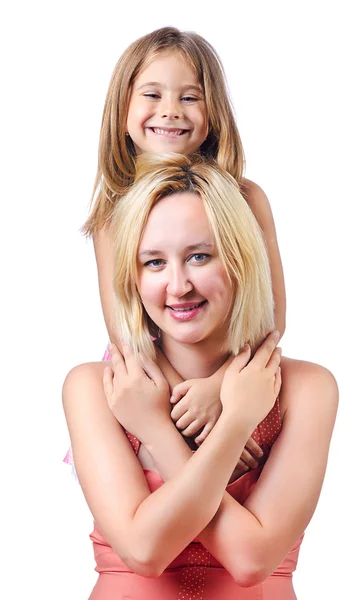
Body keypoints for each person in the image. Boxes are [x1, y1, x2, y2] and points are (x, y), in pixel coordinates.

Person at [62, 153, 338, 599]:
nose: (177, 285)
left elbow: (250, 561)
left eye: (199, 256)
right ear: (131, 277)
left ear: (241, 260)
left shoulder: (306, 389)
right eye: (153, 262)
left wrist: (207, 424)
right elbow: (144, 552)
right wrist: (218, 428)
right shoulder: (95, 388)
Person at [63, 26, 286, 472]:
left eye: (190, 97)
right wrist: (183, 412)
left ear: (214, 113)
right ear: (122, 109)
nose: (170, 112)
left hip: (236, 377)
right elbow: (125, 334)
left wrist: (220, 391)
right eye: (152, 94)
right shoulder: (113, 213)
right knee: (163, 480)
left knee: (246, 477)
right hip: (150, 384)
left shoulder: (247, 198)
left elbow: (271, 315)